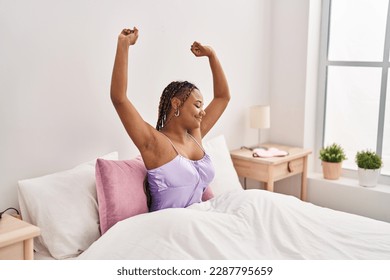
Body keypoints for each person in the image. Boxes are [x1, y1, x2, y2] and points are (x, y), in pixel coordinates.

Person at [110, 27, 230, 211]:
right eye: (197, 105)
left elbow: (223, 97)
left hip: (200, 222)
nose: (203, 111)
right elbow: (119, 99)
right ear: (176, 103)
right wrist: (124, 45)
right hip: (168, 229)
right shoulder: (154, 142)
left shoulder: (194, 138)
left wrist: (211, 55)